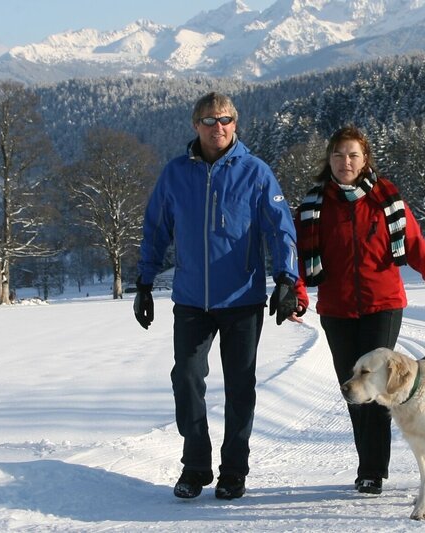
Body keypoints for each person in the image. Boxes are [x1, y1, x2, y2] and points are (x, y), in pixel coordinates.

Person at [292, 125, 425, 495]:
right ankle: (369, 466)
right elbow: (294, 257)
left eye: (353, 155)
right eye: (339, 155)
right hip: (337, 311)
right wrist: (296, 295)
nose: (345, 162)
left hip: (383, 306)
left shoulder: (387, 202)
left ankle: (372, 471)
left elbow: (421, 253)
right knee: (354, 389)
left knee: (377, 385)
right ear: (328, 159)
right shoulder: (313, 207)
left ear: (365, 160)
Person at [133, 92, 300, 501]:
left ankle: (233, 471)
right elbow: (155, 229)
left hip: (242, 298)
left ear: (235, 124)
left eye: (225, 120)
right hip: (191, 299)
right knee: (186, 378)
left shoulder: (256, 172)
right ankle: (195, 466)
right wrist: (143, 282)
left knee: (240, 386)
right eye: (209, 120)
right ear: (196, 126)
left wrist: (286, 278)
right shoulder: (175, 174)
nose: (217, 127)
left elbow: (280, 228)